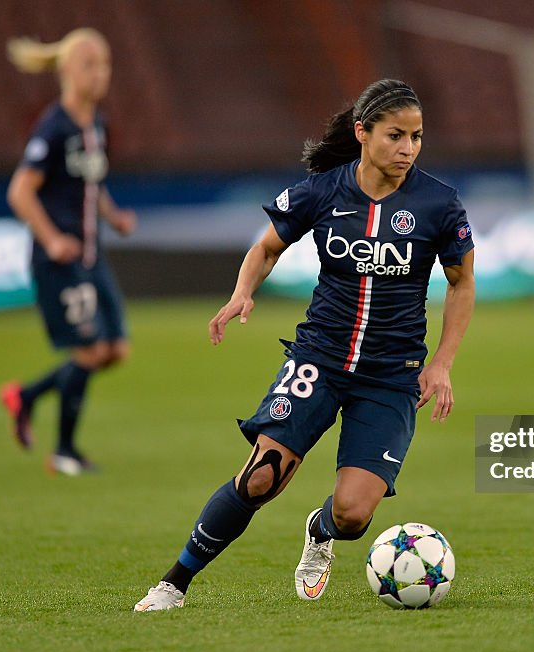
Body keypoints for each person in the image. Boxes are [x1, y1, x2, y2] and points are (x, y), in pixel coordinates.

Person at [133, 79, 476, 611]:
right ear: (362, 133)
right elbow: (267, 246)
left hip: (391, 373)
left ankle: (319, 530)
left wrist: (442, 364)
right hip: (319, 357)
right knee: (261, 478)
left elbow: (460, 283)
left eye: (416, 137)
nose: (408, 149)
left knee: (353, 515)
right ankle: (173, 584)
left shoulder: (439, 204)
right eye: (395, 136)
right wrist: (242, 293)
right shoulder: (321, 191)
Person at [0, 28, 136, 476]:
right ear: (65, 71)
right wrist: (52, 239)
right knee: (92, 350)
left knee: (116, 350)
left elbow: (90, 184)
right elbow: (20, 191)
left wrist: (113, 216)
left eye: (105, 64)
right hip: (60, 259)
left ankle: (27, 397)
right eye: (89, 65)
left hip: (91, 256)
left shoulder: (96, 124)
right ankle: (64, 451)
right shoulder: (53, 125)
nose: (100, 74)